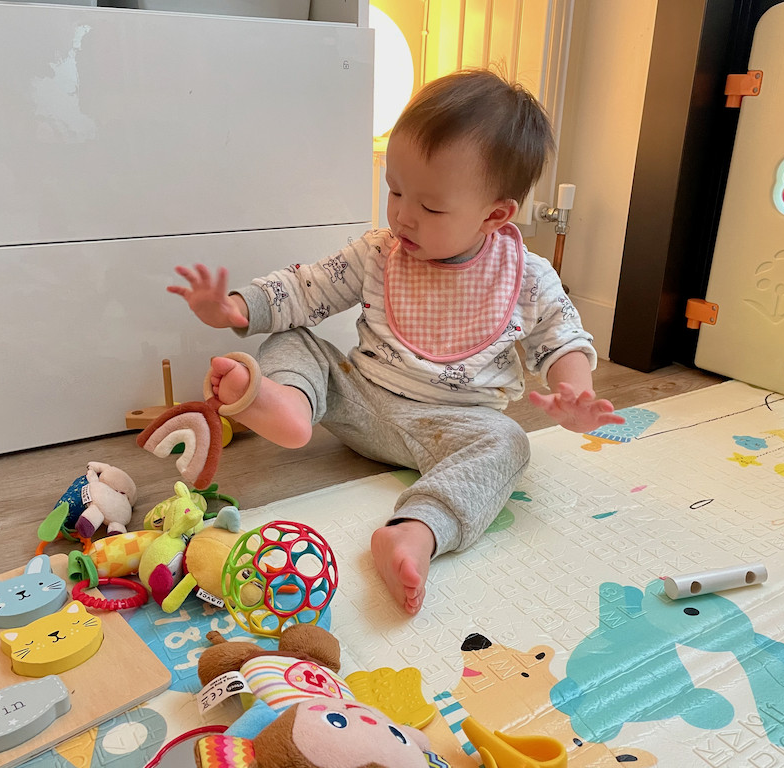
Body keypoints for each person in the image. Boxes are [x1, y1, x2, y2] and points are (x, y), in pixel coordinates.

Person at [168, 69, 624, 615]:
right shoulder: (380, 250)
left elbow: (562, 339)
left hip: (452, 428)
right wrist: (235, 307)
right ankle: (287, 402)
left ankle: (416, 530)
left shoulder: (526, 276)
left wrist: (574, 392)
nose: (404, 213)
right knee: (296, 337)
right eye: (395, 190)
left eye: (430, 206)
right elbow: (304, 287)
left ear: (495, 214)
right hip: (356, 400)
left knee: (509, 443)